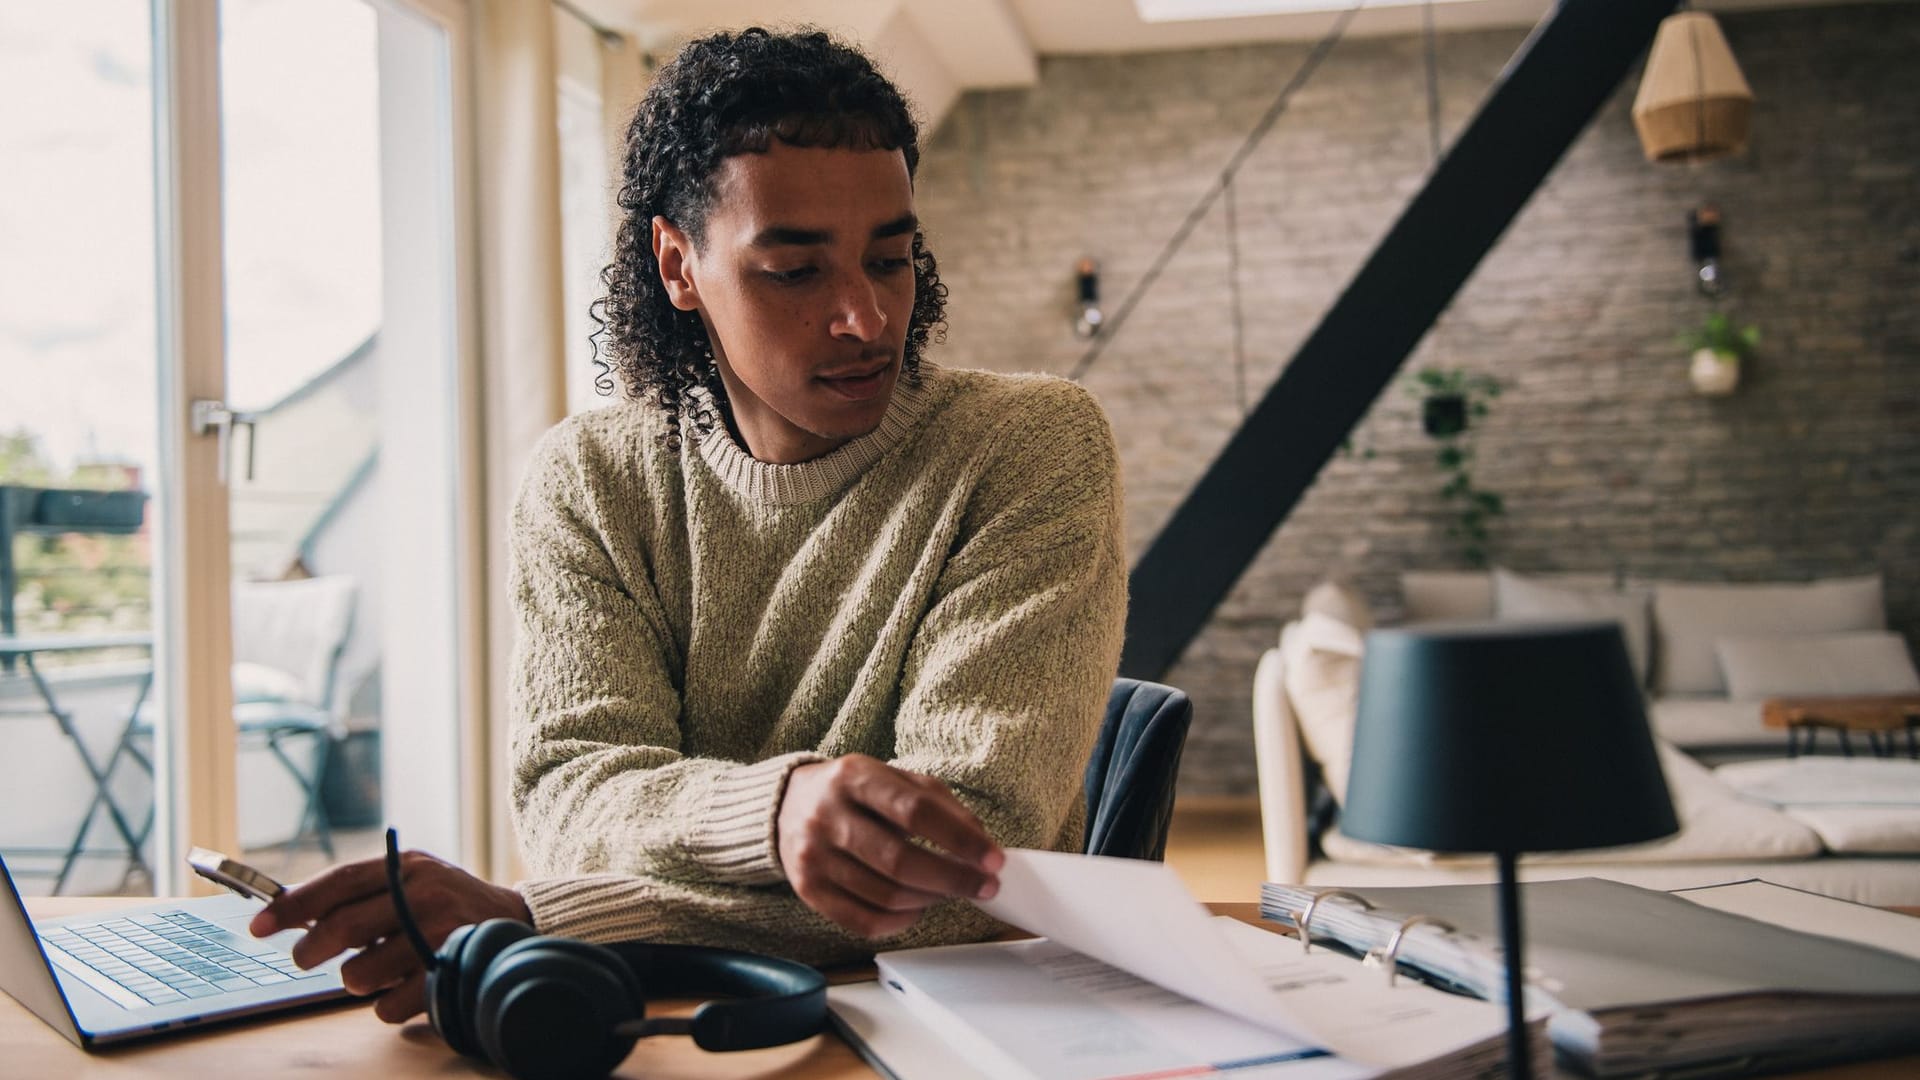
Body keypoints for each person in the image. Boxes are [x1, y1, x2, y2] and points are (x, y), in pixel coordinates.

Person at [248, 26, 1126, 1026]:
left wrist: (552, 918)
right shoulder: (588, 481)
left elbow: (965, 862)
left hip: (969, 1037)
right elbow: (570, 801)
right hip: (683, 1026)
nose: (865, 318)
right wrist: (775, 810)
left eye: (890, 258)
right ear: (678, 264)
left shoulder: (1029, 445)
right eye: (793, 272)